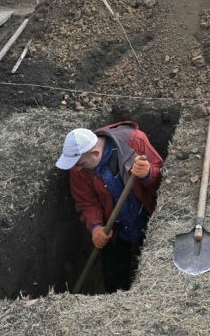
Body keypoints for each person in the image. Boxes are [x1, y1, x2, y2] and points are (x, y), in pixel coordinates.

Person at [56, 122, 163, 293]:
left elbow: (165, 180)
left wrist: (148, 174)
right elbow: (86, 202)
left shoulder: (134, 142)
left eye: (81, 164)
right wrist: (96, 227)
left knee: (154, 269)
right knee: (114, 274)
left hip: (147, 216)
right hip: (115, 228)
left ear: (95, 153)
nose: (77, 168)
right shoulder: (79, 167)